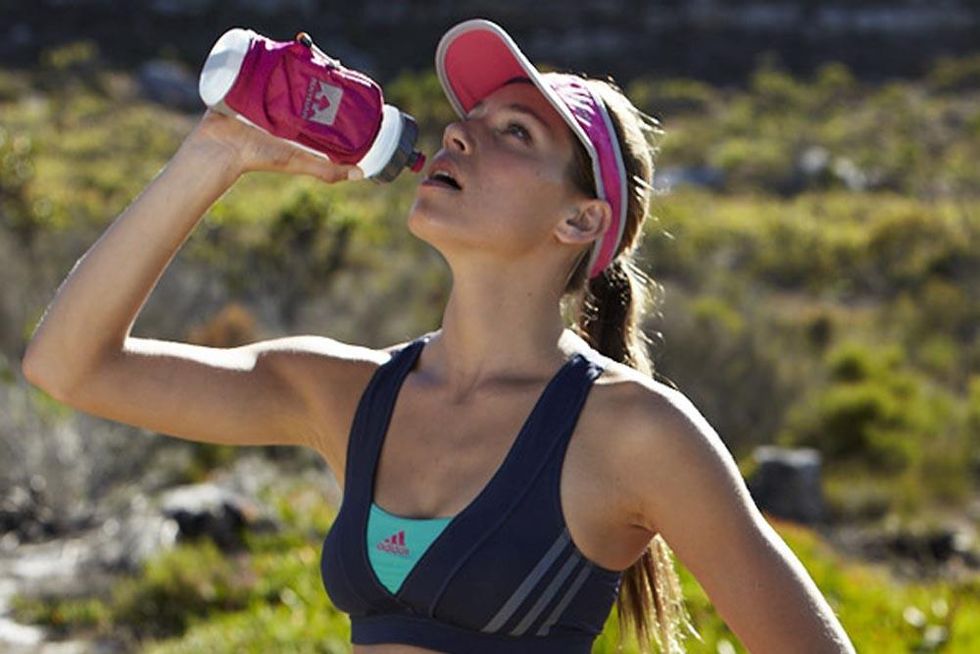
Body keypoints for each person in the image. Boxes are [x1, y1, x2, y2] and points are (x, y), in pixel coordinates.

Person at [22, 17, 856, 654]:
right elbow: (70, 366)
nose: (460, 132)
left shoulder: (634, 431)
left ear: (580, 218)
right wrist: (217, 153)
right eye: (471, 118)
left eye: (514, 133)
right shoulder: (347, 394)